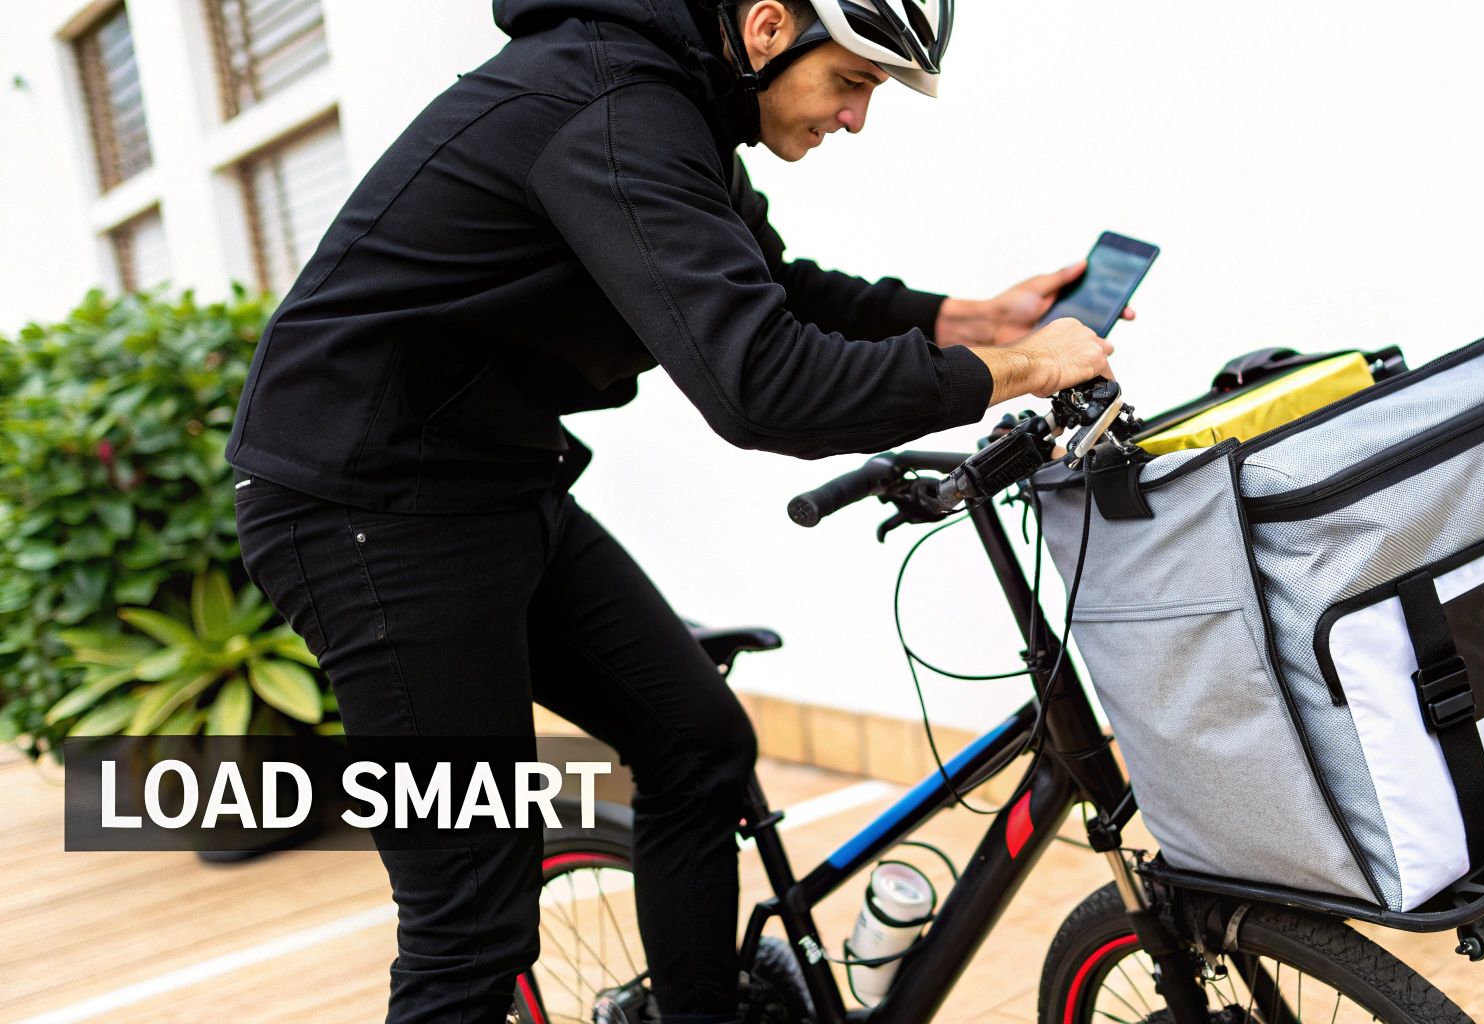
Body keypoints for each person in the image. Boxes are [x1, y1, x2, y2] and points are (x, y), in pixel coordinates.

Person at [225, 0, 1116, 1020]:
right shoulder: (611, 105)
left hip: (482, 483)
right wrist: (1017, 367)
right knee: (468, 920)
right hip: (364, 512)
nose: (856, 120)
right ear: (770, 28)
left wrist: (964, 320)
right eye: (855, 82)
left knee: (698, 744)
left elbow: (772, 289)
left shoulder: (673, 104)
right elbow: (763, 384)